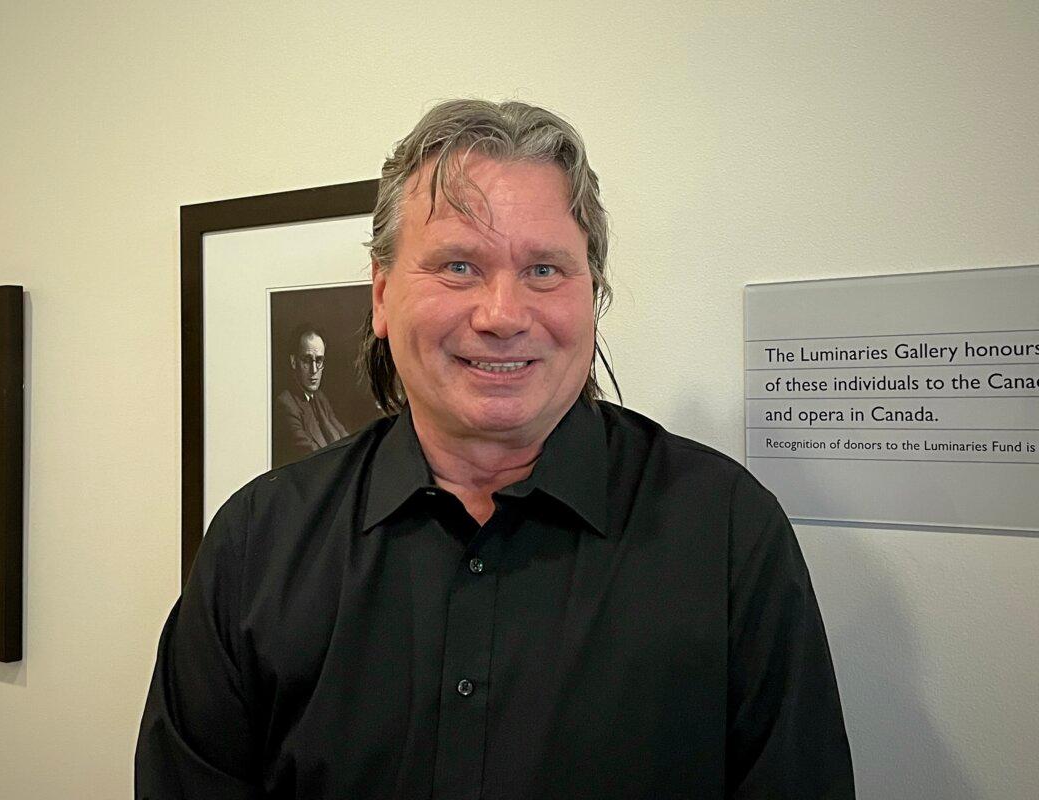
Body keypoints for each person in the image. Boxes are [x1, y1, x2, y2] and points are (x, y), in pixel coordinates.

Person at [137, 100, 854, 798]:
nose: (503, 316)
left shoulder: (726, 532)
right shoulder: (257, 543)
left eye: (544, 270)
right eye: (458, 266)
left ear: (592, 297)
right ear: (381, 297)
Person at [272, 325, 349, 465]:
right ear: (293, 362)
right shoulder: (285, 405)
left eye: (319, 360)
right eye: (307, 360)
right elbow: (314, 458)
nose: (314, 370)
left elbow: (345, 437)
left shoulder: (319, 398)